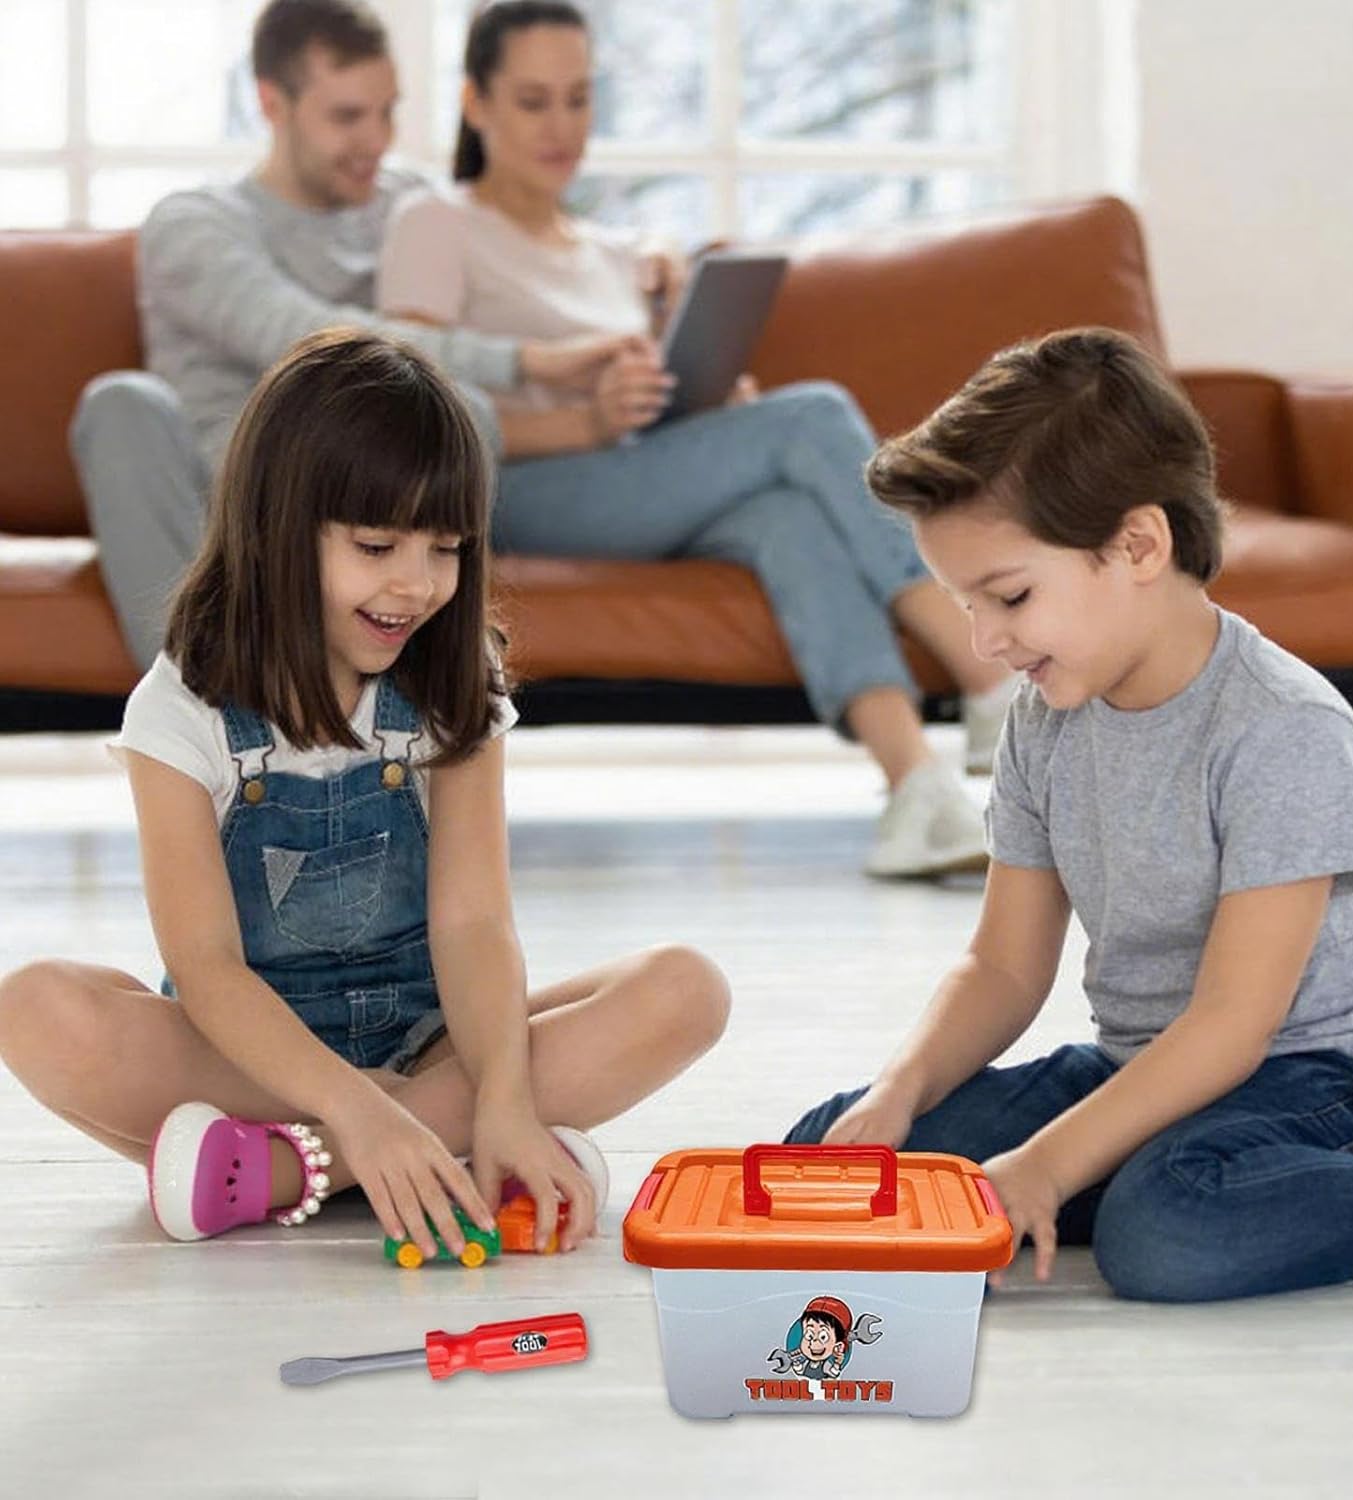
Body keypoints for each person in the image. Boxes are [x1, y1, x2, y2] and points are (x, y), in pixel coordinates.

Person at [783, 325, 1353, 1301]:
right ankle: (1125, 1171)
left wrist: (1044, 1165)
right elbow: (1002, 967)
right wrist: (898, 1092)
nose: (986, 643)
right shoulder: (1045, 719)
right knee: (828, 1153)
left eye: (1009, 597)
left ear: (1138, 545)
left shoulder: (1283, 728)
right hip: (1143, 1065)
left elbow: (1234, 1025)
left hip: (1320, 1082)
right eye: (966, 607)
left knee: (1167, 1232)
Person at [0, 330, 730, 1256]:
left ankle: (286, 1172)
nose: (416, 585)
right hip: (250, 1064)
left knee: (684, 990)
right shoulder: (180, 710)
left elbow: (473, 926)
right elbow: (210, 968)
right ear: (275, 529)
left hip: (430, 1042)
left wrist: (505, 1095)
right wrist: (360, 1108)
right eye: (377, 544)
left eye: (446, 548)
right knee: (34, 1009)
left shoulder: (455, 682)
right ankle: (433, 1145)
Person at [376, 0, 1020, 880]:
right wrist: (586, 422)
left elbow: (648, 410)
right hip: (519, 489)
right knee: (814, 415)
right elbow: (410, 412)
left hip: (633, 480)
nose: (561, 126)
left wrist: (710, 405)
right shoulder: (434, 224)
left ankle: (916, 789)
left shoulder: (613, 251)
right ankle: (985, 669)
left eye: (578, 98)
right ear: (475, 103)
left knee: (786, 516)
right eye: (532, 101)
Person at [75, 0, 630, 671]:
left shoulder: (408, 205)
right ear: (272, 104)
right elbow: (309, 339)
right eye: (346, 116)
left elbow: (520, 253)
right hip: (232, 509)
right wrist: (528, 362)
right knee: (121, 403)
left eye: (387, 112)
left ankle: (409, 697)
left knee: (466, 412)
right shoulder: (196, 223)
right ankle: (194, 703)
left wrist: (638, 260)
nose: (375, 140)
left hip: (359, 505)